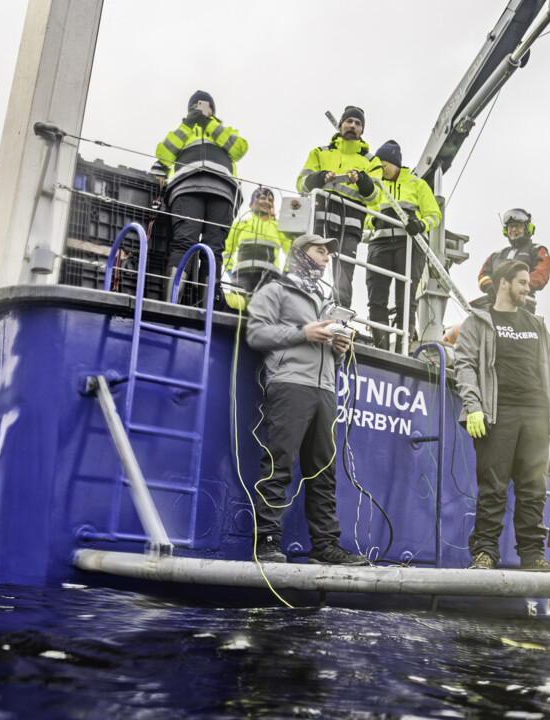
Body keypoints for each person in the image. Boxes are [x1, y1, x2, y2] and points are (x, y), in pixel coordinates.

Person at [244, 233, 367, 565]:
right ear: (300, 254)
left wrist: (339, 350)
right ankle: (267, 542)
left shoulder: (326, 301)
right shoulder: (275, 291)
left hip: (325, 390)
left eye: (328, 253)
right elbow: (255, 333)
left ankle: (325, 545)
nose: (326, 259)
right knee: (279, 463)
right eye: (320, 251)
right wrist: (303, 332)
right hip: (289, 384)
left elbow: (328, 352)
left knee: (324, 471)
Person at [453, 260, 550, 571]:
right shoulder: (478, 322)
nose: (527, 288)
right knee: (493, 489)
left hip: (536, 417)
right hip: (497, 415)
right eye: (521, 282)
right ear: (503, 283)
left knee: (534, 492)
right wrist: (473, 406)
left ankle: (532, 557)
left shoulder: (537, 325)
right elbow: (463, 365)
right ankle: (485, 554)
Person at [155, 90, 248, 303]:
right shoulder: (183, 131)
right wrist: (189, 124)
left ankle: (208, 306)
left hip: (222, 191)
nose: (199, 110)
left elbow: (240, 149)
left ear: (212, 111)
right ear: (189, 111)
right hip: (187, 188)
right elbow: (163, 154)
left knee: (213, 248)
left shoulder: (224, 131)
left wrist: (209, 124)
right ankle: (170, 302)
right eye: (195, 107)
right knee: (184, 242)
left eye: (204, 107)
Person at [297, 106, 382, 311]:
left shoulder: (371, 161)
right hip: (321, 220)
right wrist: (319, 177)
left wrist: (362, 180)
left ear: (362, 130)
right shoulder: (319, 153)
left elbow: (375, 197)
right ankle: (303, 311)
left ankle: (339, 322)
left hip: (350, 227)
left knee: (344, 278)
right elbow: (300, 184)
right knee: (311, 269)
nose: (353, 125)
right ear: (341, 124)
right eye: (349, 121)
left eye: (358, 123)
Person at [363, 140, 441, 352]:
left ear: (395, 162)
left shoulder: (417, 184)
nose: (380, 168)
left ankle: (401, 349)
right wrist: (374, 221)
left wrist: (421, 224)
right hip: (379, 244)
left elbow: (435, 215)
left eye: (383, 164)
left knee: (404, 300)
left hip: (408, 245)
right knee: (375, 298)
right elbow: (365, 215)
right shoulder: (376, 184)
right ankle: (380, 347)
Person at [221, 187, 291, 310]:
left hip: (271, 279)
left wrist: (285, 275)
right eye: (263, 198)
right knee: (238, 311)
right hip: (241, 277)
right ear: (253, 201)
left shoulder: (279, 227)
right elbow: (226, 250)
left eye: (270, 200)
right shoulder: (241, 224)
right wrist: (230, 271)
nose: (267, 202)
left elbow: (291, 253)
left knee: (266, 313)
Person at [476, 207, 550, 312]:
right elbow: (483, 276)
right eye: (510, 227)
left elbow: (541, 275)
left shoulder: (537, 250)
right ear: (506, 230)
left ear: (528, 228)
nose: (513, 229)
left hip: (522, 307)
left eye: (518, 226)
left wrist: (515, 286)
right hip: (494, 306)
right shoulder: (495, 255)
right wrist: (493, 287)